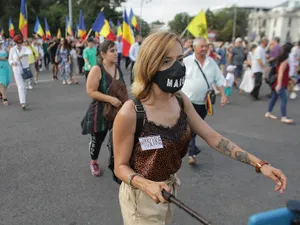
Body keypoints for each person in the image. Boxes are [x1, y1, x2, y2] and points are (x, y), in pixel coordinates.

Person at [112, 31, 287, 225]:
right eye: (166, 61)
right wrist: (146, 185)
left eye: (179, 59)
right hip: (141, 198)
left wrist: (260, 164)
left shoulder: (179, 99)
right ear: (149, 65)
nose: (177, 68)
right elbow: (120, 167)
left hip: (169, 190)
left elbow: (212, 137)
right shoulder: (130, 112)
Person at [81, 40, 126, 177]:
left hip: (117, 111)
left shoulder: (117, 68)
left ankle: (118, 164)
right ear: (103, 54)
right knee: (97, 140)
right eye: (112, 51)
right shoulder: (97, 69)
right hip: (100, 112)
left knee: (117, 139)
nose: (116, 53)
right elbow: (91, 91)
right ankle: (94, 162)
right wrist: (110, 99)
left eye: (116, 50)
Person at [181, 37, 227, 165]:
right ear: (194, 47)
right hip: (187, 102)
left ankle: (192, 147)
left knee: (195, 128)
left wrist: (223, 94)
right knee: (190, 127)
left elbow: (219, 79)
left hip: (203, 103)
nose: (204, 49)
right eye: (202, 46)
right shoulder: (186, 61)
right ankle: (192, 153)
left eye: (206, 46)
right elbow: (177, 77)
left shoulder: (211, 62)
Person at [265, 43, 294, 124]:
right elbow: (281, 73)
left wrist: (289, 78)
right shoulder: (284, 61)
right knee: (284, 99)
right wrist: (279, 84)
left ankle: (268, 112)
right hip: (280, 83)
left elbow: (281, 73)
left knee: (274, 98)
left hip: (279, 82)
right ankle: (284, 117)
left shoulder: (280, 60)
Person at [8, 35, 30, 110]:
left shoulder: (25, 48)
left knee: (25, 86)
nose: (19, 44)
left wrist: (22, 55)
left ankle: (24, 99)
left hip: (25, 69)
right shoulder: (12, 49)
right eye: (18, 42)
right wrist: (13, 63)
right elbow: (10, 59)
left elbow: (29, 53)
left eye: (20, 42)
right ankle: (23, 102)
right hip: (16, 69)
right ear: (15, 42)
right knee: (20, 86)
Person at [0, 37, 12, 105]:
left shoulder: (4, 48)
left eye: (0, 43)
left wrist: (8, 50)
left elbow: (9, 55)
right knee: (2, 82)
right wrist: (1, 58)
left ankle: (1, 93)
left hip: (6, 67)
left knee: (7, 82)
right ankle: (5, 98)